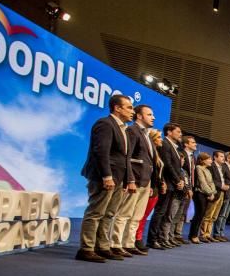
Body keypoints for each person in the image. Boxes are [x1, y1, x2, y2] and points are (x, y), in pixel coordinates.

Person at [77, 94, 135, 262]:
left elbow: (124, 158)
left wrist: (127, 180)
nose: (133, 112)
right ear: (117, 108)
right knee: (96, 212)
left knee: (109, 214)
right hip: (104, 177)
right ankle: (86, 249)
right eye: (129, 108)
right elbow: (101, 152)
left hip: (118, 178)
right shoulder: (105, 124)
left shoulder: (124, 129)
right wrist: (107, 176)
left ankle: (102, 246)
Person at [109, 104, 155, 258]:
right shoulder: (132, 131)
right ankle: (116, 244)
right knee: (125, 213)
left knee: (137, 216)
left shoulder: (147, 135)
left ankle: (128, 243)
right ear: (139, 116)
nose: (153, 117)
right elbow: (127, 157)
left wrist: (149, 183)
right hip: (134, 179)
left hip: (145, 180)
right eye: (149, 114)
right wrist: (130, 179)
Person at [148, 122, 185, 250]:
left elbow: (176, 167)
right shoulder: (165, 144)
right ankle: (152, 240)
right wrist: (177, 180)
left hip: (172, 184)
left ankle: (159, 238)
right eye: (178, 131)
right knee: (160, 212)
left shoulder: (174, 146)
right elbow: (168, 165)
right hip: (167, 183)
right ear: (169, 132)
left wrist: (180, 180)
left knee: (165, 213)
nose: (181, 134)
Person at [172, 135, 198, 244]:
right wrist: (187, 188)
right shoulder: (180, 154)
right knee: (176, 212)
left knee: (183, 213)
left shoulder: (193, 157)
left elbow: (192, 174)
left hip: (189, 187)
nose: (195, 144)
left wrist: (191, 188)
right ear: (186, 144)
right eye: (192, 142)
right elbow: (180, 171)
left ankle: (178, 234)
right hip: (180, 187)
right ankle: (171, 234)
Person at [201, 150, 229, 242]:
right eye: (221, 156)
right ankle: (203, 234)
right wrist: (221, 186)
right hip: (214, 192)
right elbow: (211, 180)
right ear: (215, 157)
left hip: (221, 193)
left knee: (214, 216)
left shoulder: (221, 167)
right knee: (208, 215)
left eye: (223, 156)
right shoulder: (212, 166)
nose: (223, 158)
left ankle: (208, 234)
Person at [189, 152, 217, 244]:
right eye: (208, 159)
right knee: (199, 214)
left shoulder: (208, 170)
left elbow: (211, 183)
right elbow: (202, 183)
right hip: (200, 193)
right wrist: (210, 193)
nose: (211, 160)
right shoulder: (198, 168)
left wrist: (213, 193)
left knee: (202, 215)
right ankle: (193, 235)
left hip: (207, 194)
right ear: (202, 160)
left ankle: (195, 234)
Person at [214, 151, 230, 242]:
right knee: (221, 214)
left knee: (225, 215)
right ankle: (217, 233)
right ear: (228, 158)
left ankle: (221, 233)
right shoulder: (223, 167)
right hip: (225, 193)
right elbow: (221, 180)